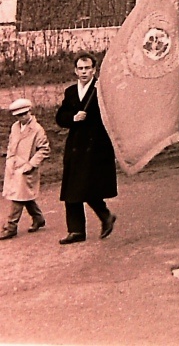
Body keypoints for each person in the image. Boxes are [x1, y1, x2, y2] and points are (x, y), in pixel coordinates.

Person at [56, 52, 117, 244]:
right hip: (75, 145)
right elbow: (60, 117)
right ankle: (76, 230)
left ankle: (105, 214)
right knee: (72, 187)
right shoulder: (71, 92)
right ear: (75, 71)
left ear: (94, 70)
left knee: (85, 185)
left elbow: (112, 115)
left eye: (87, 68)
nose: (84, 72)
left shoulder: (101, 90)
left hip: (96, 146)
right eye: (80, 68)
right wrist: (73, 118)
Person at [1, 99, 50, 240]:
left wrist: (32, 164)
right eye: (18, 115)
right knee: (23, 195)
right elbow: (12, 144)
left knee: (18, 196)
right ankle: (38, 217)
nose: (22, 117)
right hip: (14, 165)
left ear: (30, 112)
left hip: (27, 167)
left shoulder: (37, 129)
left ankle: (11, 226)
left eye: (24, 114)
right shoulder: (15, 127)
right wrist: (10, 159)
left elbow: (44, 149)